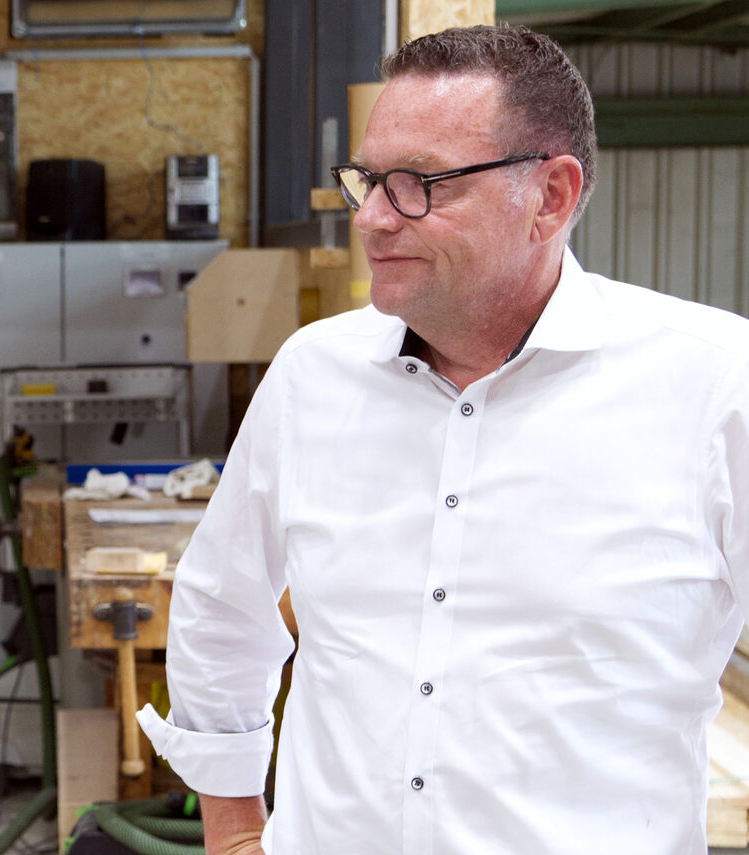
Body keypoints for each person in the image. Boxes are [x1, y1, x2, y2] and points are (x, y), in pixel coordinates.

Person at [138, 24, 749, 855]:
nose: (375, 219)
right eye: (369, 181)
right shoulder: (313, 376)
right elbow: (221, 603)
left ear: (552, 196)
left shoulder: (715, 386)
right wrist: (235, 830)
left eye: (420, 184)